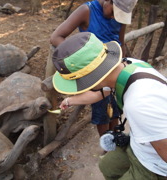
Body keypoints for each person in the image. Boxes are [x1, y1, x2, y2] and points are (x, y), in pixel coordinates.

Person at [51, 32, 167, 179]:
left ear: (91, 79)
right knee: (107, 166)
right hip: (140, 145)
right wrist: (70, 100)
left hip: (156, 166)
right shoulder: (127, 65)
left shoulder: (139, 103)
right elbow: (101, 92)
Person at [50, 0, 137, 137]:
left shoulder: (119, 15)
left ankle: (117, 138)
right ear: (108, 1)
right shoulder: (87, 10)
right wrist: (78, 56)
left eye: (119, 16)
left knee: (116, 108)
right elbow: (56, 37)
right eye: (114, 12)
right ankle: (106, 145)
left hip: (115, 65)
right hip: (96, 71)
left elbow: (121, 42)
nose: (115, 18)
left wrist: (121, 65)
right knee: (101, 111)